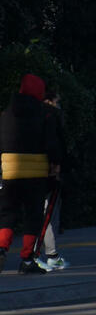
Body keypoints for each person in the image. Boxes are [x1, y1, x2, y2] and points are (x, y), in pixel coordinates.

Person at [0, 74, 64, 274]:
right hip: (37, 172)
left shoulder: (6, 114)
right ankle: (27, 259)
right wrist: (56, 164)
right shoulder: (46, 113)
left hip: (10, 169)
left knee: (7, 214)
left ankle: (1, 248)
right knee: (33, 217)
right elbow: (52, 144)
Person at [37, 89, 70, 271]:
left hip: (33, 170)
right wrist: (56, 167)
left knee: (43, 213)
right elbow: (55, 146)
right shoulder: (50, 118)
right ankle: (49, 253)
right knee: (47, 214)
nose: (58, 106)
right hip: (46, 171)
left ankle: (45, 253)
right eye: (56, 102)